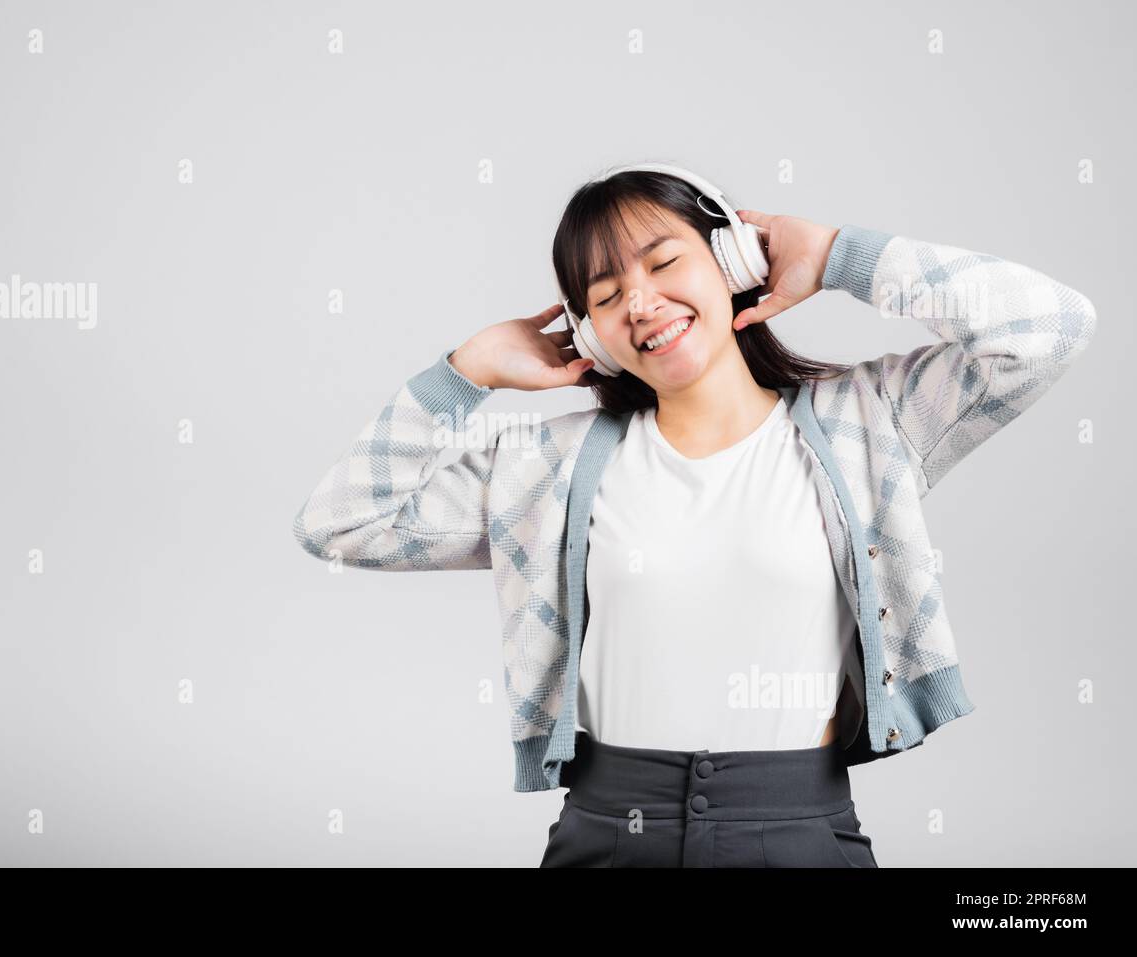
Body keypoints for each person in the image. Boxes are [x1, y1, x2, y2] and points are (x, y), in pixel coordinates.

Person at [293, 166, 1097, 867]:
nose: (640, 303)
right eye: (606, 297)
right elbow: (339, 522)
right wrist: (467, 372)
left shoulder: (867, 423)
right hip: (606, 831)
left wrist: (843, 257)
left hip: (801, 830)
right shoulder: (545, 468)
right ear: (591, 336)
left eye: (664, 261)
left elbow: (1050, 326)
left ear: (734, 262)